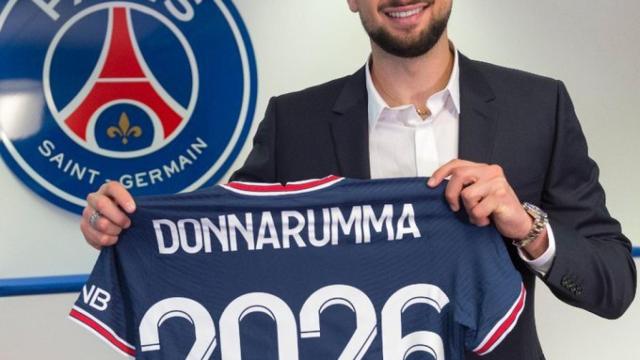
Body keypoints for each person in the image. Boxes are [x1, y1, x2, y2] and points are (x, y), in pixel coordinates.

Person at [80, 0, 636, 359]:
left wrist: (529, 228)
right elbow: (227, 246)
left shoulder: (538, 106)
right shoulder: (293, 122)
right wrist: (127, 226)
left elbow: (614, 285)